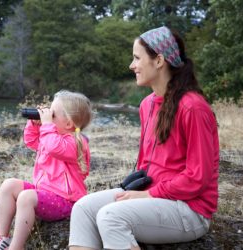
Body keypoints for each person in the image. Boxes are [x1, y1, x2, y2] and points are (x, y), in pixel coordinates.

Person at [69, 26, 219, 250]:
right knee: (82, 208)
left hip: (190, 209)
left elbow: (198, 177)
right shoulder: (147, 105)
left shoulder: (193, 108)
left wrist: (149, 195)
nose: (132, 65)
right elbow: (147, 164)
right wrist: (142, 193)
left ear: (159, 61)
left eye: (137, 58)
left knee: (111, 217)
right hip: (151, 195)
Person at [0, 90, 93, 250]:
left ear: (68, 124)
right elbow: (31, 141)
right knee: (9, 185)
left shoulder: (75, 143)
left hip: (66, 201)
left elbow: (53, 147)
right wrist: (34, 124)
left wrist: (46, 125)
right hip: (45, 194)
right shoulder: (51, 135)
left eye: (53, 114)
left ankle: (16, 247)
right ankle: (0, 238)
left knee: (25, 197)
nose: (47, 116)